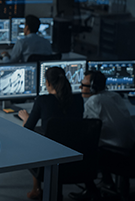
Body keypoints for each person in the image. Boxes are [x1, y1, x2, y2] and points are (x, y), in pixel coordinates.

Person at [18, 66, 84, 200]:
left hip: (50, 157)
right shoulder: (78, 100)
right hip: (75, 157)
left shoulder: (43, 100)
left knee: (33, 141)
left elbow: (27, 130)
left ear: (47, 83)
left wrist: (26, 118)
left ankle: (37, 189)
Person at [69, 70, 135, 200]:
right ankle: (108, 183)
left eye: (84, 85)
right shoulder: (115, 96)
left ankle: (91, 190)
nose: (80, 88)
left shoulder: (94, 101)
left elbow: (88, 133)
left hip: (117, 155)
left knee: (82, 148)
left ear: (93, 87)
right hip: (131, 151)